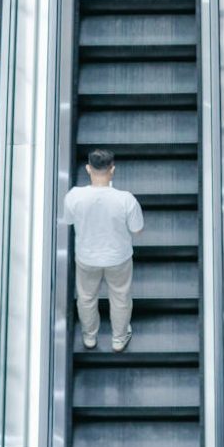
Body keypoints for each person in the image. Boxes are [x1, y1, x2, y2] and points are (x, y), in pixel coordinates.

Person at [63, 148, 144, 352]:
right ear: (112, 169)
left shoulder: (74, 196)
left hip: (86, 257)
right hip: (118, 258)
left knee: (86, 297)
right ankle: (119, 338)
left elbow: (69, 221)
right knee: (120, 297)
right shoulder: (126, 199)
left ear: (88, 168)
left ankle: (89, 337)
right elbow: (137, 229)